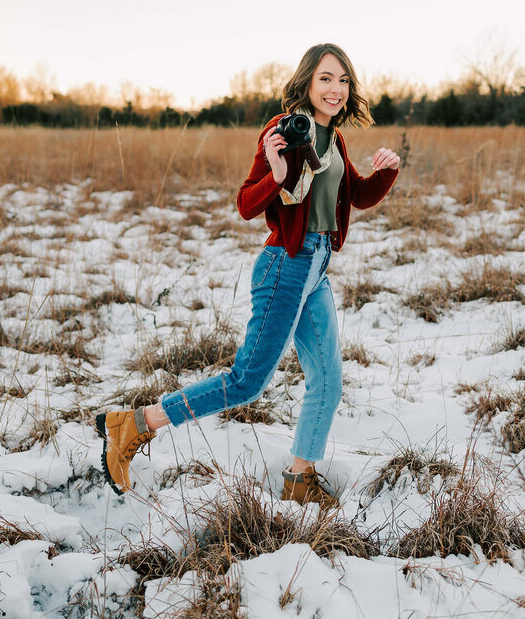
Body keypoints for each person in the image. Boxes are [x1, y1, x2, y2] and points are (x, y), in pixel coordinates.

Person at [96, 43, 400, 506]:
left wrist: (386, 173)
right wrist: (276, 174)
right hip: (285, 266)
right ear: (306, 83)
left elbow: (354, 195)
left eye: (343, 80)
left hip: (316, 268)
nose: (336, 89)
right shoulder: (282, 131)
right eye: (326, 79)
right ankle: (135, 425)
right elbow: (245, 203)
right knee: (247, 381)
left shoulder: (334, 138)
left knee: (328, 380)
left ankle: (300, 479)